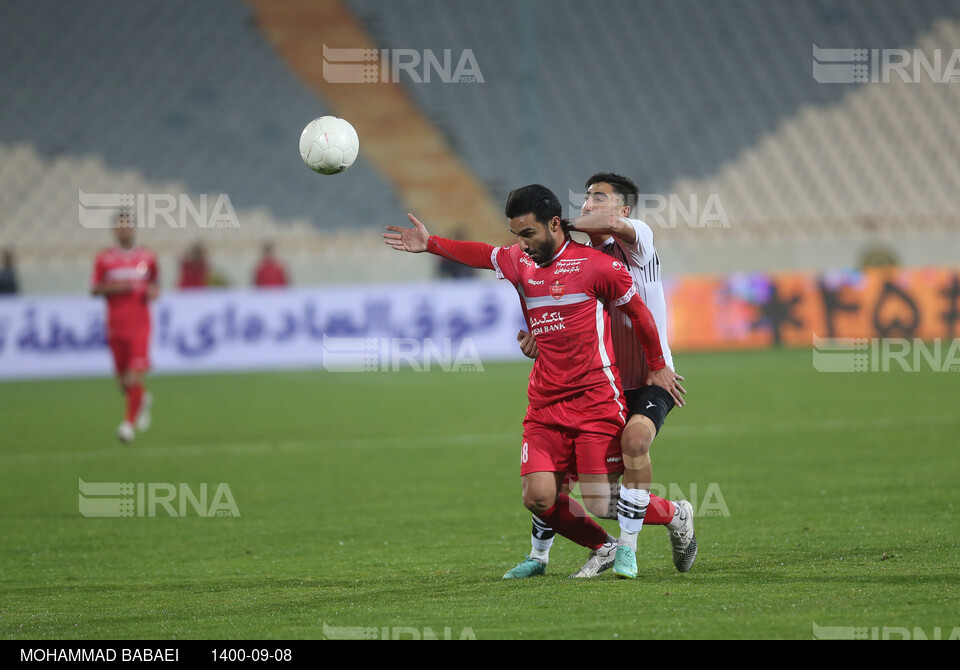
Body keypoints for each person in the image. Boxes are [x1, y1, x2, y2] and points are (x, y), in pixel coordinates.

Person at [384, 184, 685, 578]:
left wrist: (659, 364)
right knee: (539, 497)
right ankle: (603, 546)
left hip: (595, 398)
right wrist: (431, 243)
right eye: (516, 235)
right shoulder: (518, 262)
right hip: (545, 403)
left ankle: (677, 513)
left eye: (528, 234)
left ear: (555, 224)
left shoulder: (597, 265)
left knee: (600, 500)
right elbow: (481, 253)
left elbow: (642, 316)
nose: (522, 245)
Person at [515, 173, 696, 579]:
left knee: (634, 441)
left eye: (599, 198)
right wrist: (538, 340)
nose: (589, 206)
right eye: (585, 199)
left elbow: (609, 226)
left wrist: (552, 221)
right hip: (598, 385)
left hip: (653, 378)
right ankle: (543, 554)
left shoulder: (637, 241)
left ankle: (632, 543)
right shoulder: (573, 256)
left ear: (624, 210)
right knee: (582, 491)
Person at [91, 211, 158, 443]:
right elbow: (95, 289)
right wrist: (122, 287)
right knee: (123, 383)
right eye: (120, 227)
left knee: (133, 377)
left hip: (140, 325)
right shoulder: (105, 259)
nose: (124, 230)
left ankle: (127, 427)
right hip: (116, 325)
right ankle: (142, 399)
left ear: (134, 229)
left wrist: (153, 292)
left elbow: (155, 284)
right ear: (114, 231)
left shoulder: (147, 257)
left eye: (127, 226)